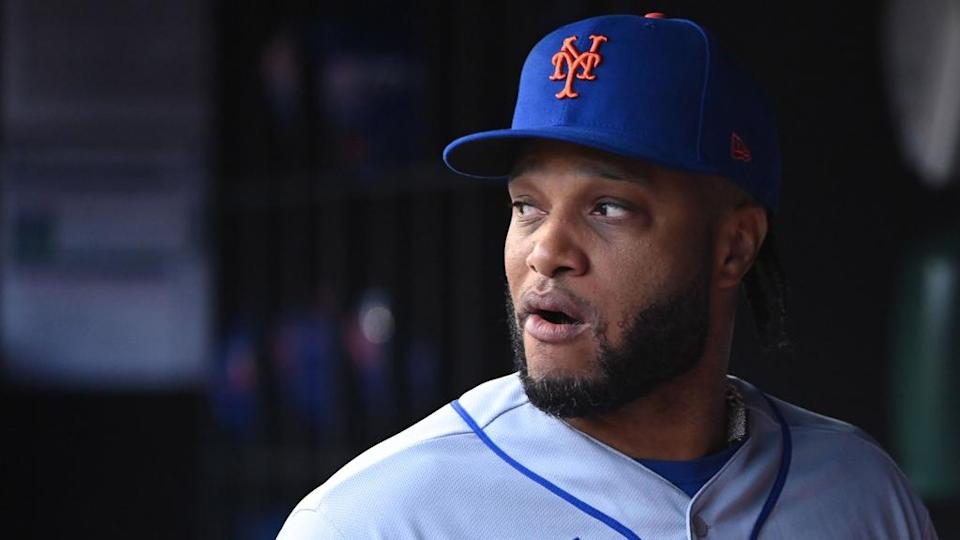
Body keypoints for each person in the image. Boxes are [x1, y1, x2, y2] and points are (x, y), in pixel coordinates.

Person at [278, 13, 937, 539]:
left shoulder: (862, 495)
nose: (546, 251)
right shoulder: (373, 521)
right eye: (526, 206)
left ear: (734, 249)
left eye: (607, 207)